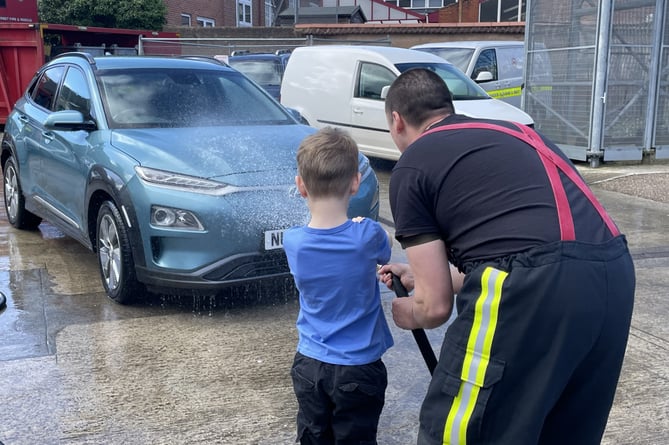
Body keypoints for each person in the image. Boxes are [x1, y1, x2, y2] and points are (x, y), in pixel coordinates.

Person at [378, 68, 635, 445]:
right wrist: (430, 277)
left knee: (458, 432)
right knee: (559, 431)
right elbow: (531, 252)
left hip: (534, 286)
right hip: (612, 274)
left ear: (397, 121)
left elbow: (434, 309)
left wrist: (408, 311)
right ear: (448, 108)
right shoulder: (518, 133)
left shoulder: (414, 163)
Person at [283, 127, 394, 445]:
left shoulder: (294, 241)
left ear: (301, 186)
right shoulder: (368, 235)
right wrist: (362, 225)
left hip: (309, 364)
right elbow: (385, 249)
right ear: (356, 183)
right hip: (358, 368)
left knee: (313, 437)